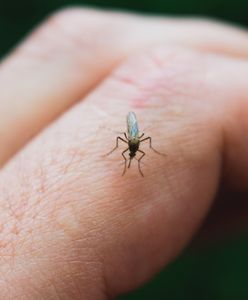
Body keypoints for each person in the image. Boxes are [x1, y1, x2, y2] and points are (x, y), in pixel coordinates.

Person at [0, 7, 247, 299]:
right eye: (132, 153)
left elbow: (140, 143)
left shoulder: (138, 144)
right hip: (130, 134)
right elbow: (129, 141)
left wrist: (140, 152)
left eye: (133, 153)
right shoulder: (129, 142)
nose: (132, 153)